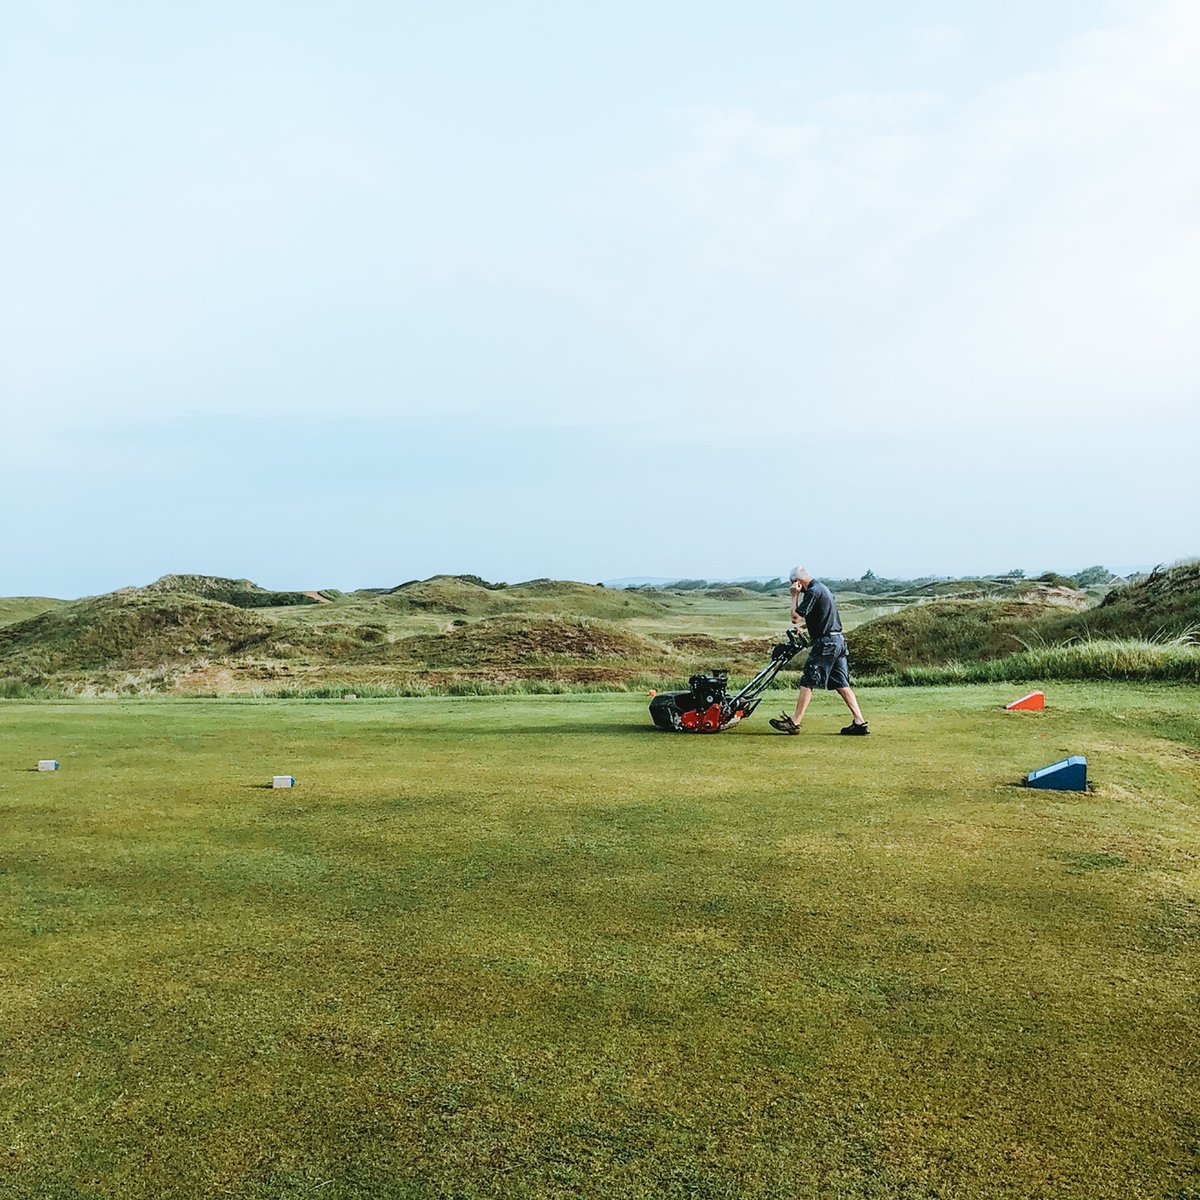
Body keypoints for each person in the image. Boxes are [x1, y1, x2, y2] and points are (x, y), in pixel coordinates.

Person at [769, 566, 870, 736]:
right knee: (841, 683)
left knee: (808, 680)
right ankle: (859, 722)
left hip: (826, 644)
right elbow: (821, 616)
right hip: (838, 641)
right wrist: (806, 628)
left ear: (796, 582)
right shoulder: (822, 588)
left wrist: (794, 596)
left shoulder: (812, 591)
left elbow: (795, 617)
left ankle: (794, 722)